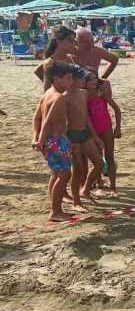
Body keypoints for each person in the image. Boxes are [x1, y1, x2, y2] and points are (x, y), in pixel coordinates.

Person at [32, 61, 75, 222]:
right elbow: (47, 121)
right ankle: (55, 211)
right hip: (56, 141)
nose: (71, 81)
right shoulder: (58, 98)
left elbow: (36, 118)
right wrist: (40, 139)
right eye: (68, 78)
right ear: (57, 79)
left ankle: (55, 208)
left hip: (50, 141)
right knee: (64, 174)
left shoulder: (47, 94)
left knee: (56, 174)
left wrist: (36, 138)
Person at [66, 67, 102, 206]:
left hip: (84, 133)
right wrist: (68, 141)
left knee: (99, 163)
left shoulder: (83, 93)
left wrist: (95, 136)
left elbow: (86, 117)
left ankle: (85, 189)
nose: (83, 80)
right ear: (72, 79)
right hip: (72, 135)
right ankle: (76, 201)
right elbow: (64, 120)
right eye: (81, 78)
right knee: (77, 170)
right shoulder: (65, 96)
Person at [85, 72, 122, 195]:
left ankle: (113, 187)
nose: (94, 82)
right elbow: (86, 118)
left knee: (110, 157)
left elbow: (117, 109)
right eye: (90, 80)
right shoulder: (83, 96)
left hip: (106, 128)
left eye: (95, 79)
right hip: (92, 130)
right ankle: (100, 184)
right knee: (98, 160)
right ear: (84, 82)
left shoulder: (101, 94)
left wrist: (118, 127)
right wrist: (93, 135)